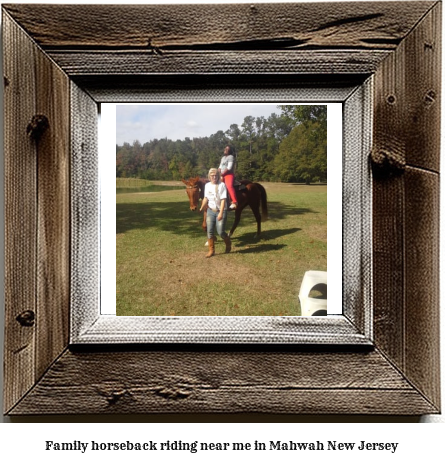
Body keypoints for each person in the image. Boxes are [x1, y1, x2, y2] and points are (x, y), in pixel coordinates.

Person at [199, 168, 231, 258]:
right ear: (209, 176)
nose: (214, 177)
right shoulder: (207, 185)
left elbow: (223, 200)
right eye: (212, 175)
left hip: (221, 211)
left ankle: (228, 243)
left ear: (218, 176)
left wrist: (221, 213)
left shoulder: (222, 185)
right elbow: (206, 198)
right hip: (210, 211)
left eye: (216, 175)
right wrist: (201, 207)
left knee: (220, 232)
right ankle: (211, 250)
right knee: (209, 232)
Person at [219, 145, 237, 210]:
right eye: (225, 148)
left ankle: (234, 202)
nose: (225, 150)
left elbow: (229, 168)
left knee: (229, 186)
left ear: (230, 151)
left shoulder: (231, 157)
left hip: (228, 175)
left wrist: (222, 174)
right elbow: (220, 166)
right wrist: (218, 171)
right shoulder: (223, 158)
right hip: (221, 174)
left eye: (227, 149)